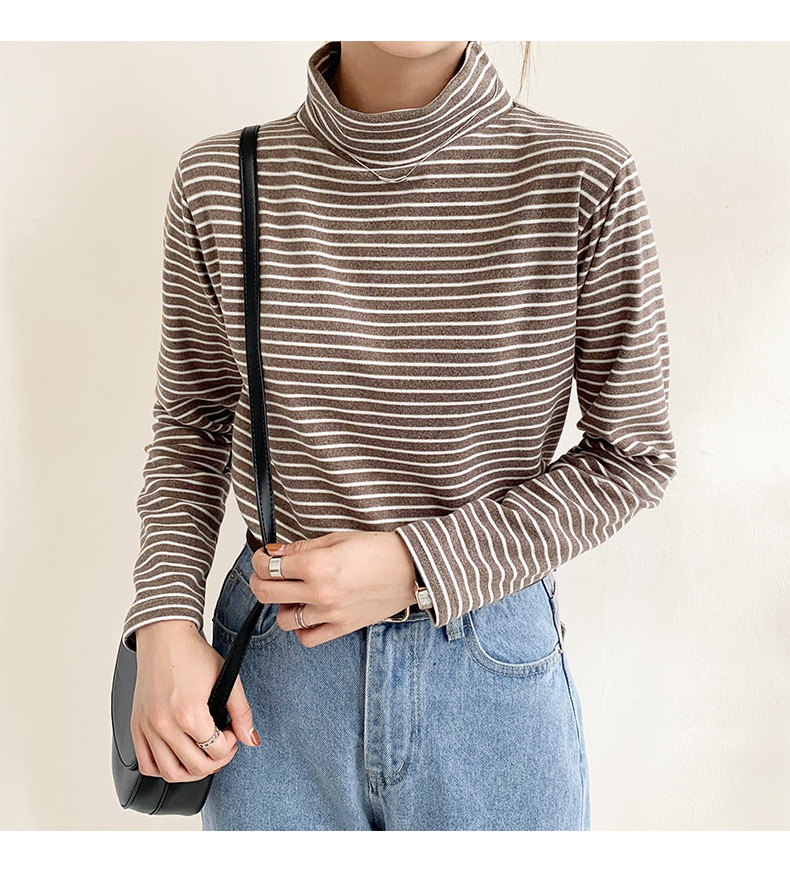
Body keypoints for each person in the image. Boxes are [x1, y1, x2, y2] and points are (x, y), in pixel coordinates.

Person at [124, 40, 677, 831]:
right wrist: (163, 618)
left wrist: (416, 565)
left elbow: (633, 457)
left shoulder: (581, 178)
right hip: (273, 677)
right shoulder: (222, 180)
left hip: (489, 667)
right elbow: (194, 426)